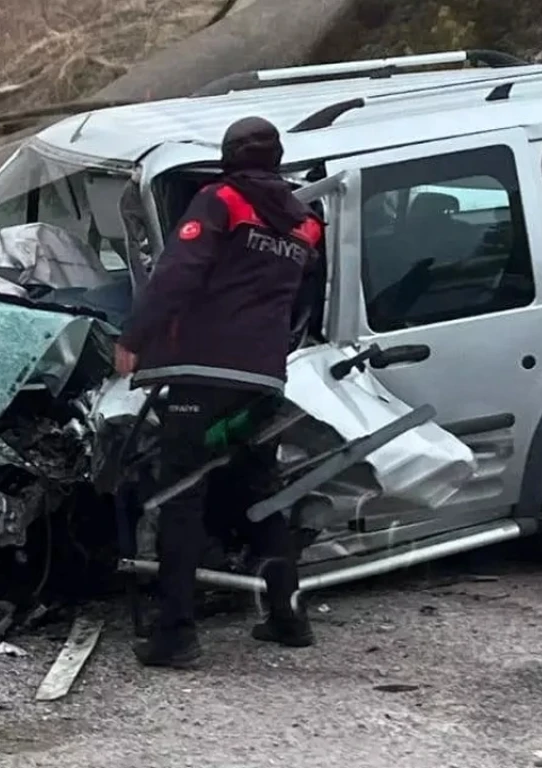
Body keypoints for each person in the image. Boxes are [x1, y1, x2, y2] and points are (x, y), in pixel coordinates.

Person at [114, 116, 324, 668]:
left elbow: (176, 273)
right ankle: (287, 617)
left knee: (182, 498)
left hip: (201, 374)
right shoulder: (306, 225)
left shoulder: (220, 201)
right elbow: (303, 301)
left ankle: (175, 636)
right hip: (262, 380)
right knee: (262, 496)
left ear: (229, 156)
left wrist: (134, 338)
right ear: (276, 159)